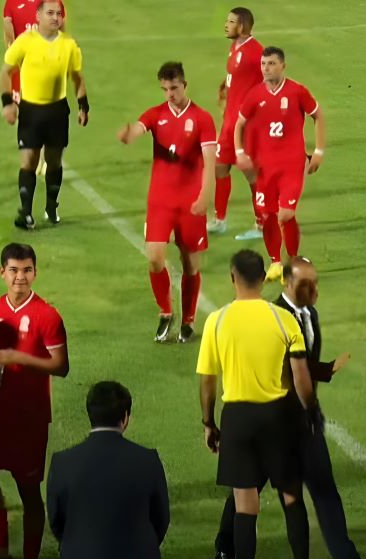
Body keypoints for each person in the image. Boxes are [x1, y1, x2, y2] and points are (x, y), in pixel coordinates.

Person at [213, 257, 366, 559]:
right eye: (307, 284)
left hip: (303, 420)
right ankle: (226, 547)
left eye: (316, 282)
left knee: (323, 486)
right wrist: (327, 369)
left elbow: (303, 365)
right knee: (248, 488)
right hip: (273, 422)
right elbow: (284, 368)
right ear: (287, 283)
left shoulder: (309, 313)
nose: (314, 289)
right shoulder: (272, 317)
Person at [196, 250, 320, 559]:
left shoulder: (217, 321)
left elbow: (208, 381)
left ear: (232, 277)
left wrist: (209, 422)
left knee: (245, 503)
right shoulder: (283, 319)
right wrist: (309, 413)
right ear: (264, 277)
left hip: (238, 418)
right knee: (292, 497)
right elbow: (301, 378)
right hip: (279, 416)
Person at [0, 243, 70, 559]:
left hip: (29, 418)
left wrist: (18, 357)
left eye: (26, 270)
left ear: (35, 273)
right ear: (2, 273)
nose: (20, 277)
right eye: (13, 270)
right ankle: (1, 557)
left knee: (29, 493)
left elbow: (61, 367)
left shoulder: (47, 315)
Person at [118, 61, 217, 343]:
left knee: (190, 265)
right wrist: (129, 135)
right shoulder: (156, 114)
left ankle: (188, 319)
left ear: (184, 85)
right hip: (160, 201)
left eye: (174, 88)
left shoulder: (202, 119)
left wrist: (205, 194)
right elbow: (139, 127)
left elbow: (209, 162)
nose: (169, 94)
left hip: (190, 203)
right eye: (164, 89)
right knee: (154, 257)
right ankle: (165, 311)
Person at [47, 381, 170, 559]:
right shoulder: (147, 460)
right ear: (125, 418)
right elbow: (161, 520)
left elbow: (58, 523)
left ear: (90, 415)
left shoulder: (62, 463)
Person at [233, 46, 326, 282]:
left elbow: (318, 116)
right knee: (267, 215)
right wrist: (240, 152)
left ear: (283, 66)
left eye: (272, 64)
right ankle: (275, 261)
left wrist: (318, 151)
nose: (266, 68)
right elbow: (239, 124)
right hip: (265, 167)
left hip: (292, 164)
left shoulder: (297, 91)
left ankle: (293, 260)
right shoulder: (255, 94)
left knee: (285, 214)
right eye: (264, 64)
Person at [0, 0, 88, 230]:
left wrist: (83, 105)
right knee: (28, 161)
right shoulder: (25, 42)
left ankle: (51, 206)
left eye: (58, 14)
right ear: (38, 16)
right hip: (30, 111)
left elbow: (77, 77)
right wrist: (8, 103)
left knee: (54, 161)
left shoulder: (69, 45)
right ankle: (25, 213)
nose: (55, 17)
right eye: (50, 13)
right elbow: (5, 73)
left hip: (57, 111)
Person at [210, 6, 264, 239]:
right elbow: (239, 76)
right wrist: (227, 83)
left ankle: (262, 225)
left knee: (251, 174)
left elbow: (268, 84)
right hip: (229, 121)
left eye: (231, 21)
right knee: (220, 167)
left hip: (244, 125)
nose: (226, 24)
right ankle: (220, 220)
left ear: (241, 26)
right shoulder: (235, 47)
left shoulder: (256, 53)